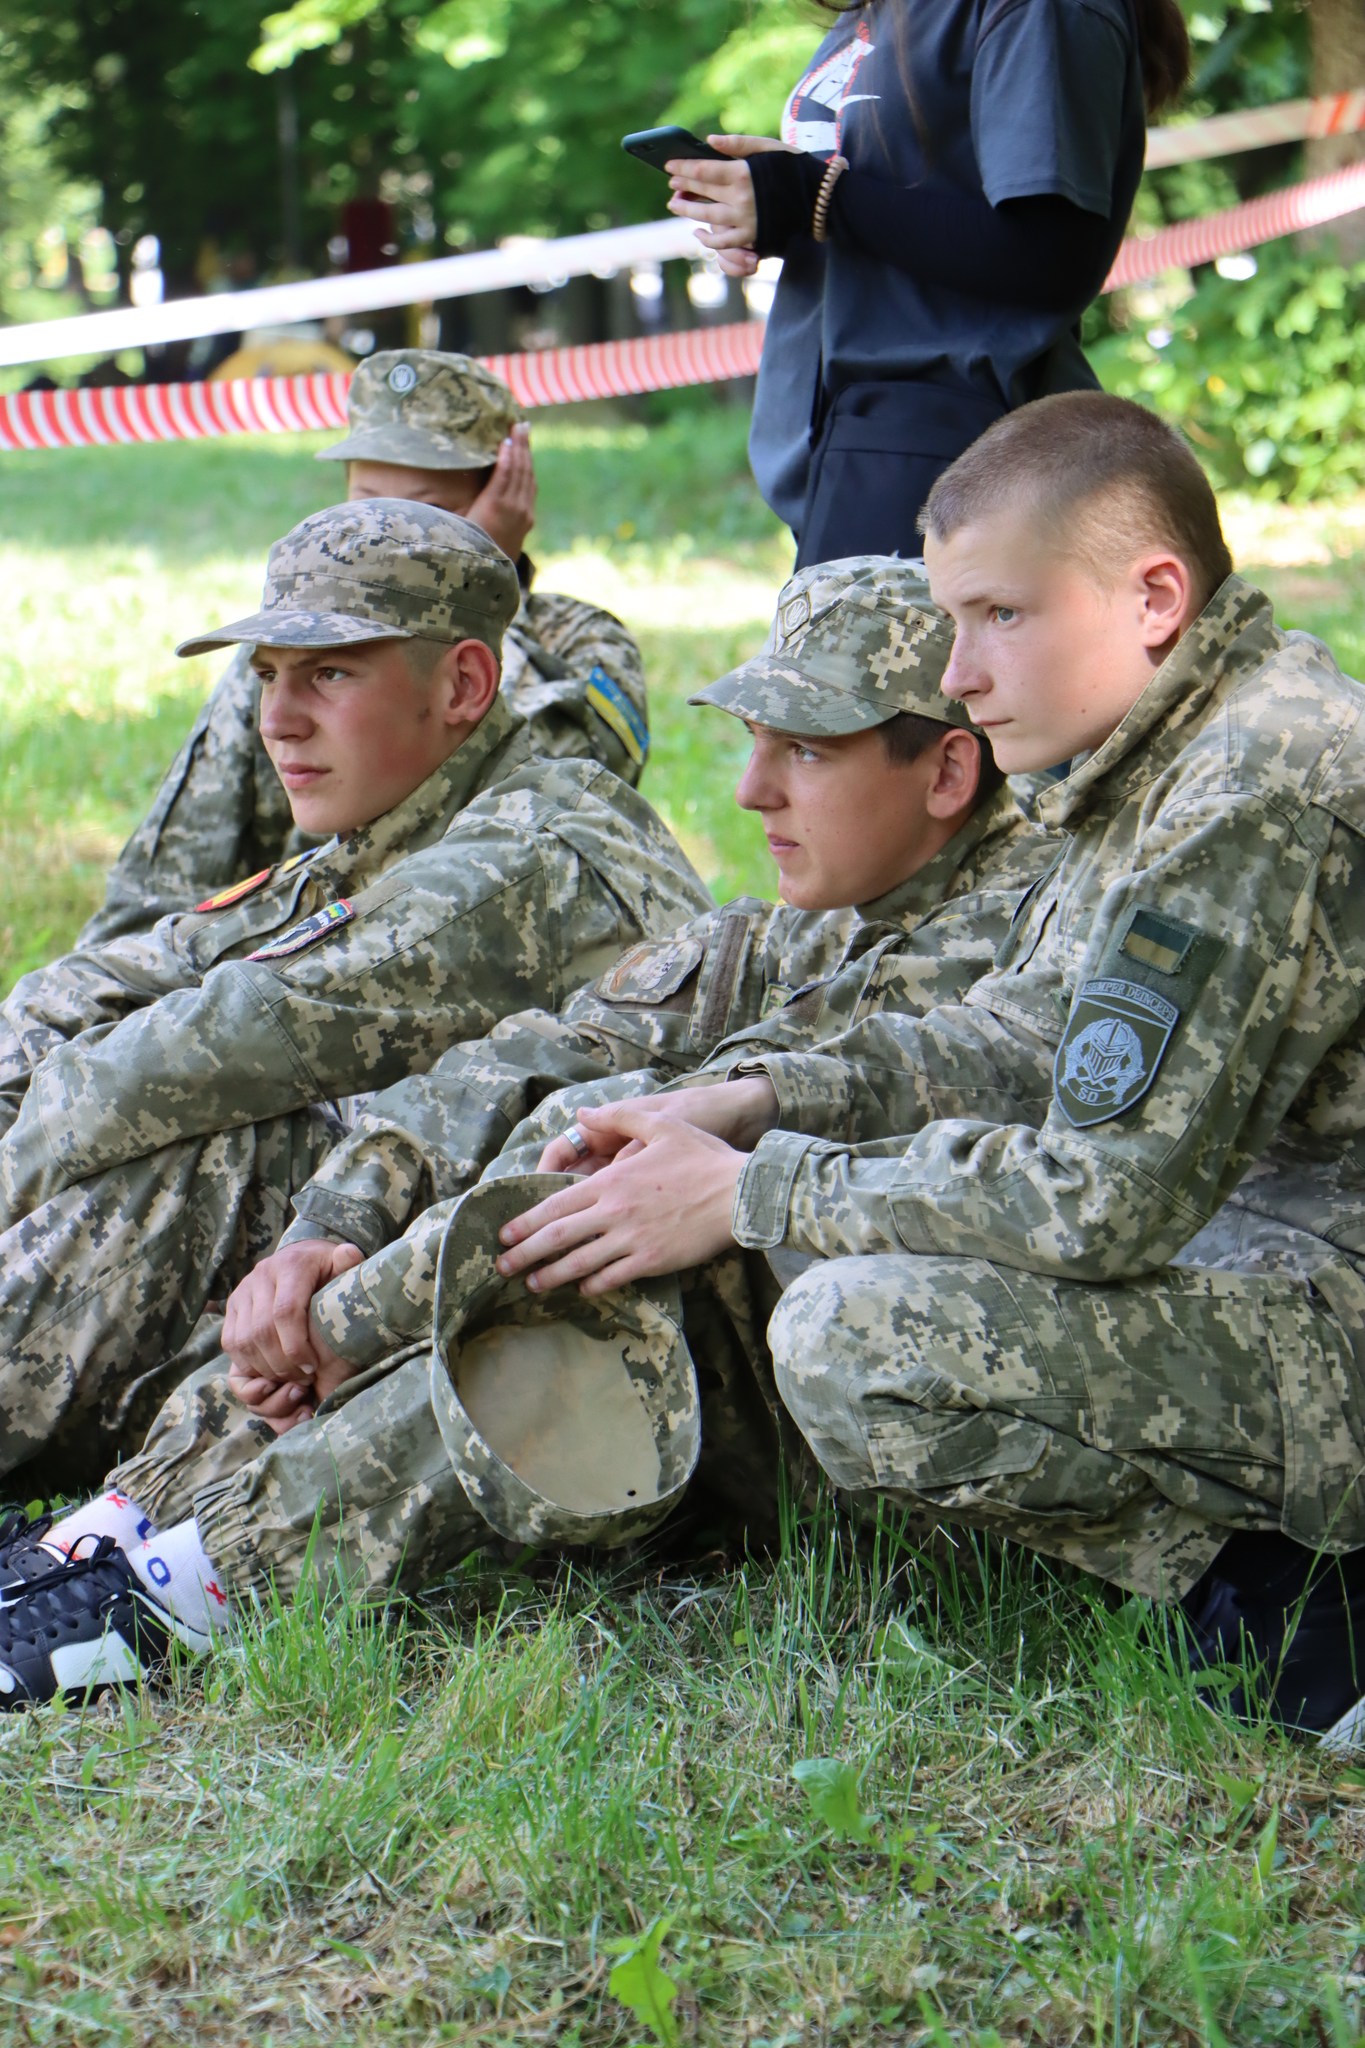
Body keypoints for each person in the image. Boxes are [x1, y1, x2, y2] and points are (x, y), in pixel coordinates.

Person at [0, 558, 1061, 1699]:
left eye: (803, 750)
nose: (751, 790)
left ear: (948, 770)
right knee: (487, 1171)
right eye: (756, 741)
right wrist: (335, 1225)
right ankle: (135, 1519)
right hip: (768, 1390)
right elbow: (527, 1062)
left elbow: (628, 1156)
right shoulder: (805, 927)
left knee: (600, 1246)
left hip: (908, 1421)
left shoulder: (1015, 947)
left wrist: (363, 1312)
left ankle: (196, 1579)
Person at [485, 392, 1365, 1745]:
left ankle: (1300, 1609)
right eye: (955, 619)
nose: (958, 672)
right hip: (1260, 1245)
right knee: (821, 1241)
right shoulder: (1159, 741)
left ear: (1153, 598)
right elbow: (1022, 1034)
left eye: (1000, 615)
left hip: (1328, 1294)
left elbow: (1102, 1200)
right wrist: (766, 1099)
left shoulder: (1255, 785)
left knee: (854, 1330)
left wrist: (755, 1189)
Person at [0, 498, 708, 1485]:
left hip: (554, 1334)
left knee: (225, 1150)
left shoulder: (522, 857)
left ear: (464, 684)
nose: (277, 720)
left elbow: (195, 1050)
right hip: (406, 1250)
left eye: (329, 674)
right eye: (268, 676)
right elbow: (150, 964)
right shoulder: (405, 817)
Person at [78, 349, 651, 949]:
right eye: (369, 505)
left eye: (431, 513)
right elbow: (160, 891)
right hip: (291, 955)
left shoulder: (581, 641)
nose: (392, 535)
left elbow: (550, 793)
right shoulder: (286, 661)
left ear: (509, 496)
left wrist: (469, 590)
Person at [665, 0, 1188, 566]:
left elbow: (1048, 254)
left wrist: (817, 197)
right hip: (851, 458)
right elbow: (902, 212)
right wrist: (780, 209)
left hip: (946, 456)